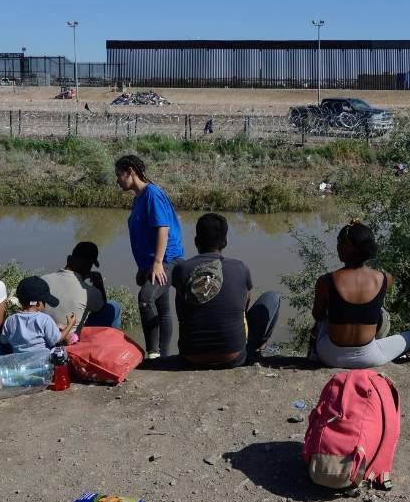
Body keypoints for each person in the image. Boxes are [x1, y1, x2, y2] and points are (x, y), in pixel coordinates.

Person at [170, 213, 280, 368]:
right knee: (272, 297)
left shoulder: (181, 269)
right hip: (233, 358)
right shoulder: (240, 268)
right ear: (225, 241)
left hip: (190, 358)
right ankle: (258, 349)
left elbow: (181, 308)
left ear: (196, 241)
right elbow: (244, 307)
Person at [308, 221, 410, 368]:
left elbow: (317, 315)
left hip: (331, 357)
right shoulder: (385, 279)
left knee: (324, 319)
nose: (337, 246)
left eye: (339, 242)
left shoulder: (325, 281)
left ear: (348, 247)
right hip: (369, 357)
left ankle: (313, 354)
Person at [115, 154, 184, 359]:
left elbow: (163, 228)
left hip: (168, 259)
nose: (117, 180)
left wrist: (157, 263)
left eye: (119, 174)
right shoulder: (139, 199)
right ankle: (163, 356)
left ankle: (153, 354)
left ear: (130, 172)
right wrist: (144, 267)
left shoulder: (152, 193)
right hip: (153, 262)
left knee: (145, 299)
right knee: (162, 307)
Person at [41, 241, 121, 330]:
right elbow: (102, 308)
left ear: (68, 259)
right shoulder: (90, 293)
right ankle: (109, 336)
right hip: (71, 336)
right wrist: (99, 283)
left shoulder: (42, 280)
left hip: (44, 332)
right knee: (113, 306)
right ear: (89, 266)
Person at [0, 277, 76, 353]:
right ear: (38, 303)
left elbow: (3, 340)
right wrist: (70, 325)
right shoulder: (45, 319)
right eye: (45, 302)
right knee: (64, 333)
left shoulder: (10, 320)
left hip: (19, 361)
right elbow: (56, 340)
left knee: (58, 326)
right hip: (42, 360)